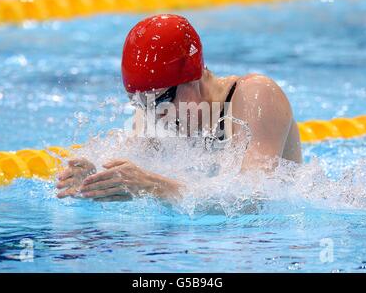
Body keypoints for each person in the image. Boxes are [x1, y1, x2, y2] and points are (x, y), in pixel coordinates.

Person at [56, 14, 302, 202]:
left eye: (160, 101)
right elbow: (130, 170)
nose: (155, 114)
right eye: (141, 104)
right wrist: (93, 180)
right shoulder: (157, 113)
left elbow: (257, 195)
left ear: (192, 78)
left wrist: (155, 185)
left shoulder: (255, 95)